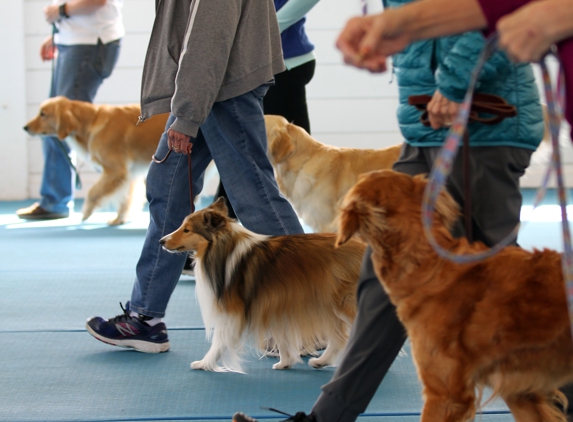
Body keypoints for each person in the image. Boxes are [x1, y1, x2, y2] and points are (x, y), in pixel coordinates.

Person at [232, 0, 546, 421]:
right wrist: (385, 33)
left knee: (499, 284)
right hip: (425, 130)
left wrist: (454, 84)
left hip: (483, 126)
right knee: (382, 273)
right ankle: (329, 416)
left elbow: (496, 16)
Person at [85, 0, 304, 353]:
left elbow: (209, 38)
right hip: (209, 88)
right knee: (167, 187)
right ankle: (145, 318)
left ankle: (307, 316)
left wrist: (187, 116)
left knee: (255, 197)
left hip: (221, 88)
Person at [212, 0, 320, 220]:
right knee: (242, 155)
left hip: (280, 64)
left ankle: (215, 232)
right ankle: (214, 233)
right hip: (246, 65)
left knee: (292, 157)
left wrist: (263, 30)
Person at [16, 0, 123, 220]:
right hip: (77, 41)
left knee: (58, 125)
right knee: (56, 124)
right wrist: (61, 34)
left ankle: (57, 199)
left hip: (88, 43)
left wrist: (61, 11)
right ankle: (57, 197)